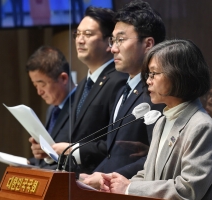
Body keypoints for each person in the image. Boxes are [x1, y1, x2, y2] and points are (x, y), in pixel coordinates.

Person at [99, 39, 212, 200]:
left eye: (153, 74)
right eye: (147, 74)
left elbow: (188, 189)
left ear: (179, 74)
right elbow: (150, 174)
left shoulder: (201, 126)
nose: (148, 81)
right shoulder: (162, 122)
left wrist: (129, 188)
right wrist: (119, 183)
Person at [80, 0, 166, 189]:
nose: (113, 48)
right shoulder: (122, 90)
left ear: (148, 43)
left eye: (121, 39)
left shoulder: (159, 93)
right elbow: (114, 154)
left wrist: (106, 177)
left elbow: (158, 158)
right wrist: (92, 177)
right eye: (112, 40)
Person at [52, 6, 128, 174]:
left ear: (110, 42)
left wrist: (74, 150)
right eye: (77, 34)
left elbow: (116, 144)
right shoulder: (83, 84)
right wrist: (50, 151)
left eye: (88, 34)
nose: (80, 40)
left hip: (101, 180)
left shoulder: (119, 81)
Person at [26, 45, 76, 169]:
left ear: (63, 78)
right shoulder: (52, 109)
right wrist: (31, 162)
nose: (39, 92)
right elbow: (51, 156)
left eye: (42, 84)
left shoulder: (82, 106)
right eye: (35, 85)